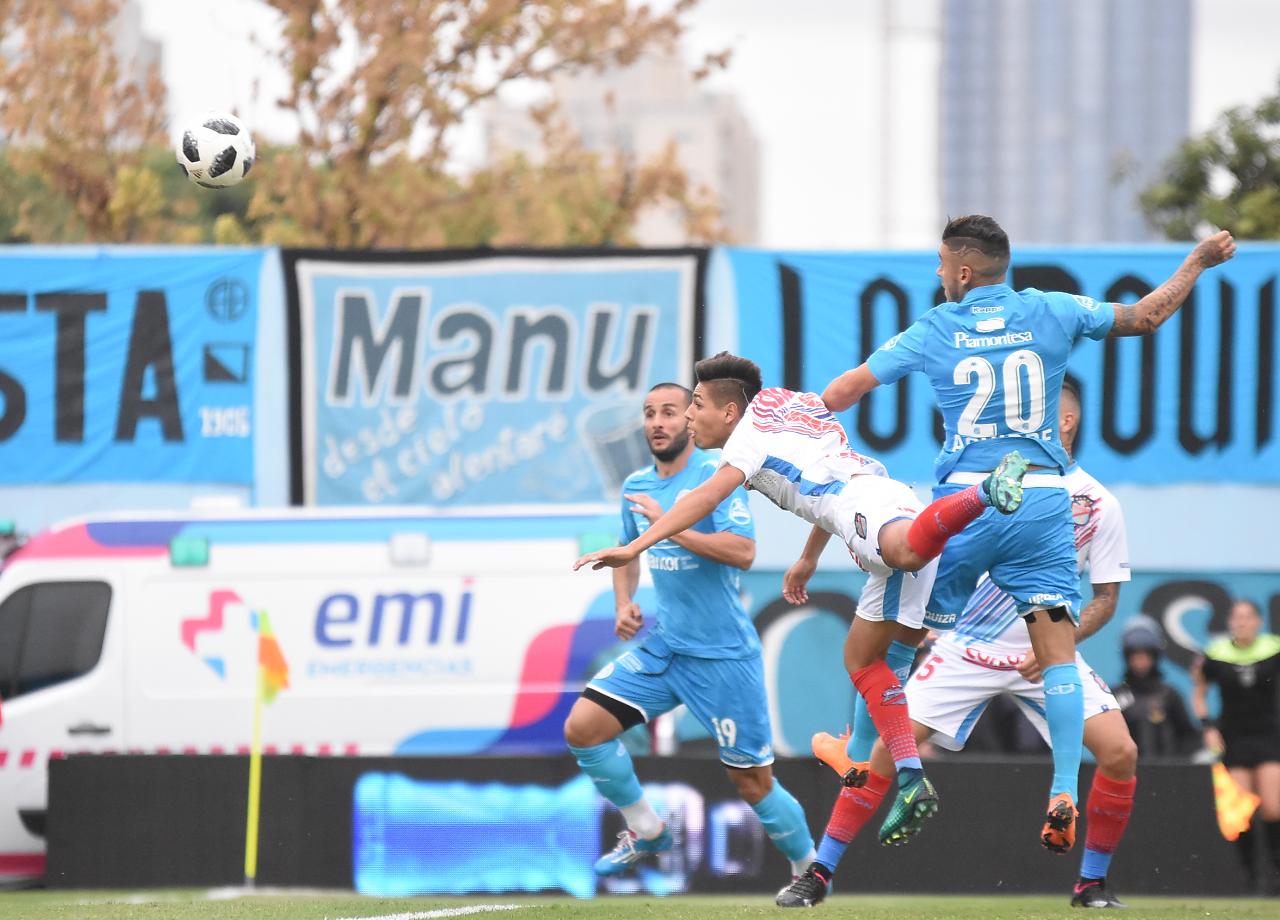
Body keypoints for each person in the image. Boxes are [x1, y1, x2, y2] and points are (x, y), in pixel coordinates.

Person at [821, 215, 1236, 855]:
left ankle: (868, 761)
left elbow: (842, 392)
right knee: (1059, 653)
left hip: (965, 505)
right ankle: (1063, 787)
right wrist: (1199, 262)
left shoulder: (934, 327)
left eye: (940, 265)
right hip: (1043, 500)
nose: (936, 275)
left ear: (962, 271)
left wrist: (800, 418)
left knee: (890, 645)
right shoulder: (1051, 309)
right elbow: (1146, 317)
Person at [575, 352, 1031, 855]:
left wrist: (636, 545)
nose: (686, 417)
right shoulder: (784, 402)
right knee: (870, 661)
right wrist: (809, 557)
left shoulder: (744, 440)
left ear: (729, 412)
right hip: (881, 499)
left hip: (870, 509)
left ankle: (984, 493)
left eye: (694, 405)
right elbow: (820, 474)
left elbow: (704, 498)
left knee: (904, 552)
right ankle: (894, 770)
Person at [780, 377, 1140, 909]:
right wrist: (922, 615)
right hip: (964, 648)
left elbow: (1105, 599)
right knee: (885, 753)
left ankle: (1092, 884)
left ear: (1064, 421)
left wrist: (1061, 645)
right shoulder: (983, 481)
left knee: (1121, 752)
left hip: (1045, 656)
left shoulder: (1096, 504)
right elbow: (927, 548)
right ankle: (820, 873)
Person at [562, 382, 818, 883]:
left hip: (722, 656)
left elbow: (742, 551)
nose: (658, 422)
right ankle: (647, 828)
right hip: (667, 648)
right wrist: (624, 603)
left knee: (752, 783)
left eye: (671, 413)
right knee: (583, 729)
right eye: (649, 414)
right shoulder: (637, 485)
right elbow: (625, 551)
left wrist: (671, 526)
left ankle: (810, 869)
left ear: (690, 421)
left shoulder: (712, 477)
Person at [1193, 599, 1280, 893]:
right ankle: (1251, 876)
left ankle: (1276, 875)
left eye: (1248, 617)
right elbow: (1200, 692)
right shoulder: (1216, 654)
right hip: (1234, 737)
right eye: (1236, 617)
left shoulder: (1274, 649)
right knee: (1242, 812)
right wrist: (1208, 727)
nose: (1242, 622)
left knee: (1273, 808)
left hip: (1268, 735)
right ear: (1229, 622)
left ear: (1259, 621)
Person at [1112, 614, 1199, 759]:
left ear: (1155, 656)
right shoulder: (1114, 696)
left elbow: (1189, 736)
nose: (1140, 660)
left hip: (1168, 774)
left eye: (1145, 654)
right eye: (1135, 654)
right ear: (1127, 657)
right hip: (1129, 774)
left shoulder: (1169, 695)